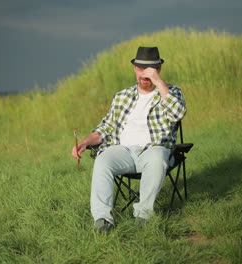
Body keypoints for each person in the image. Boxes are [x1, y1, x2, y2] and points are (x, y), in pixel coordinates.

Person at [71, 46, 186, 232]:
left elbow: (177, 113)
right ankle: (102, 219)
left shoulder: (171, 92)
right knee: (102, 160)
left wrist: (158, 82)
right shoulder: (122, 96)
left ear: (158, 69)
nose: (144, 74)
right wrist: (84, 143)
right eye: (140, 69)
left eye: (150, 69)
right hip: (123, 150)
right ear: (134, 69)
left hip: (154, 148)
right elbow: (105, 128)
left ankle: (143, 216)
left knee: (157, 159)